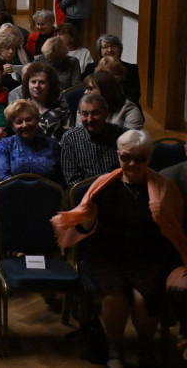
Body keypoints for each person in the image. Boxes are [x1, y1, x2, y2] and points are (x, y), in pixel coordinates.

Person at [53, 130, 187, 368]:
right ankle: (115, 350)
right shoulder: (104, 186)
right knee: (116, 296)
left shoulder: (164, 187)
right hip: (107, 254)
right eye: (126, 157)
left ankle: (144, 347)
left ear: (149, 158)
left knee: (142, 299)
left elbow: (173, 231)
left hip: (149, 256)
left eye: (140, 158)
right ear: (118, 156)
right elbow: (84, 231)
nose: (132, 164)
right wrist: (88, 221)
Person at [60, 93, 126, 187]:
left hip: (119, 191)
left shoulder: (122, 135)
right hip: (87, 196)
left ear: (106, 113)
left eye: (95, 113)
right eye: (85, 114)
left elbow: (131, 171)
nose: (90, 119)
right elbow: (73, 180)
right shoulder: (69, 139)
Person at [0, 99, 62, 183]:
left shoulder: (52, 144)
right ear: (12, 125)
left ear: (37, 120)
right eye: (19, 122)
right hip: (15, 193)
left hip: (47, 194)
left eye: (28, 120)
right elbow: (5, 178)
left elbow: (60, 179)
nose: (24, 125)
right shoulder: (5, 145)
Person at [13, 60, 71, 139]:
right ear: (27, 84)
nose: (37, 86)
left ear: (50, 85)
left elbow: (68, 139)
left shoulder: (61, 108)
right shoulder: (19, 108)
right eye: (33, 82)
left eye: (42, 82)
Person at [85, 34, 141, 105]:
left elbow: (134, 95)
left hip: (125, 106)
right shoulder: (90, 68)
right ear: (100, 51)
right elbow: (86, 91)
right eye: (105, 47)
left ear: (119, 49)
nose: (110, 50)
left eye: (113, 46)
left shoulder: (131, 68)